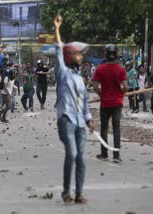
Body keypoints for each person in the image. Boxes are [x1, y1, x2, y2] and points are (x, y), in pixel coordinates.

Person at [54, 15, 95, 204]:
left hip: (80, 122)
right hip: (66, 119)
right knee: (71, 154)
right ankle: (65, 191)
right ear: (70, 55)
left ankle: (78, 193)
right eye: (79, 54)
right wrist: (57, 28)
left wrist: (89, 118)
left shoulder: (80, 79)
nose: (82, 57)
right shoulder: (62, 72)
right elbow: (57, 50)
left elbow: (85, 102)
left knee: (81, 158)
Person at [93, 44, 129, 163]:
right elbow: (125, 87)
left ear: (106, 54)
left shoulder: (100, 68)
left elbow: (95, 86)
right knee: (116, 128)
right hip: (117, 103)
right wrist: (121, 94)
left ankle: (104, 153)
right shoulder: (121, 69)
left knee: (104, 128)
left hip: (105, 103)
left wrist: (101, 94)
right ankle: (116, 156)